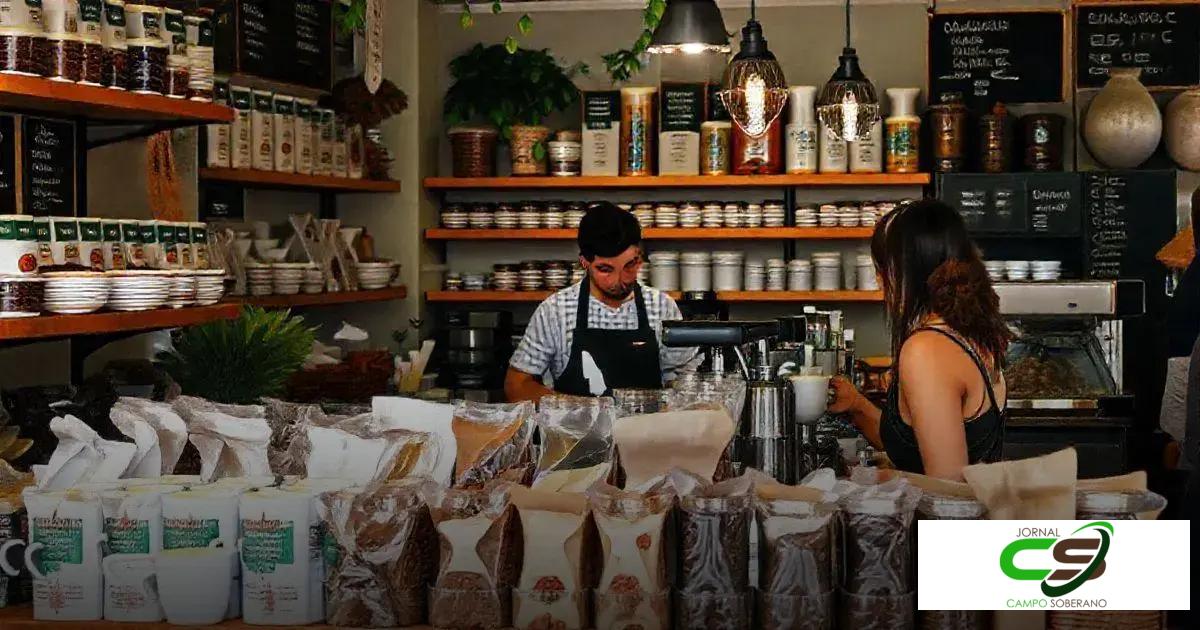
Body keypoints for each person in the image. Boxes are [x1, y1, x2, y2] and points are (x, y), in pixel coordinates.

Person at [829, 199, 1010, 480]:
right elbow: (920, 442)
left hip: (949, 511)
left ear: (905, 272)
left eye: (882, 268)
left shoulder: (927, 350)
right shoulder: (972, 332)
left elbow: (947, 487)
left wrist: (873, 482)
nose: (879, 282)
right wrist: (857, 405)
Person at [505, 202, 699, 401]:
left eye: (629, 266)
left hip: (646, 421)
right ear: (584, 262)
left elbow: (684, 379)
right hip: (577, 421)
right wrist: (577, 407)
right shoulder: (555, 311)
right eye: (605, 270)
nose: (620, 280)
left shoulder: (662, 307)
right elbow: (517, 384)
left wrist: (679, 394)